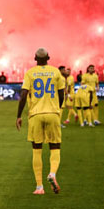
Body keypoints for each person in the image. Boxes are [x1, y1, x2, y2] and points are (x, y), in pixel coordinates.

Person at [16, 48, 65, 195]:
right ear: (48, 58)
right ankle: (52, 174)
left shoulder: (30, 73)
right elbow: (61, 94)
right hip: (52, 113)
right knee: (55, 146)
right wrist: (58, 107)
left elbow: (24, 95)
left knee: (36, 150)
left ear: (35, 58)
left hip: (36, 115)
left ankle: (39, 187)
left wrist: (19, 115)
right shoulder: (56, 72)